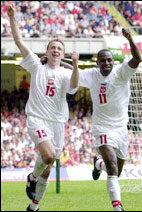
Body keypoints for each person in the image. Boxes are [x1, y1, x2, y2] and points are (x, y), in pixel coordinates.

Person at [7, 4, 79, 212]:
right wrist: (12, 18)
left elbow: (74, 87)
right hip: (37, 119)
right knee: (47, 157)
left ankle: (34, 206)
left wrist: (74, 65)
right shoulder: (37, 66)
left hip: (58, 123)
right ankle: (32, 177)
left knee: (48, 170)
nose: (56, 50)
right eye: (52, 47)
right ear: (47, 51)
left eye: (59, 48)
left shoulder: (66, 73)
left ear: (62, 53)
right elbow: (19, 42)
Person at [78, 28, 142, 211]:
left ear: (113, 62)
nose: (106, 63)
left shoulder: (121, 73)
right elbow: (74, 69)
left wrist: (130, 38)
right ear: (97, 62)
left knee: (117, 172)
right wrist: (56, 61)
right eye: (103, 60)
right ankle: (117, 208)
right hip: (102, 127)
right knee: (113, 169)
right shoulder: (92, 75)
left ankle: (97, 164)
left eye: (109, 60)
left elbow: (137, 59)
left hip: (121, 128)